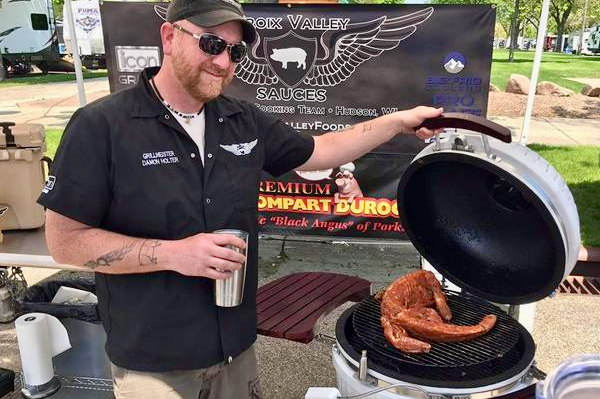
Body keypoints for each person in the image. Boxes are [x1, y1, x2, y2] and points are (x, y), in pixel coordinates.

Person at [38, 0, 443, 398]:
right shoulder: (101, 125)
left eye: (235, 52)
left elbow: (323, 150)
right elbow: (64, 242)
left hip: (235, 348)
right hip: (154, 361)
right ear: (168, 36)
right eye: (211, 44)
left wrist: (396, 123)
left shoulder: (242, 119)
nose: (223, 62)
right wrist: (173, 254)